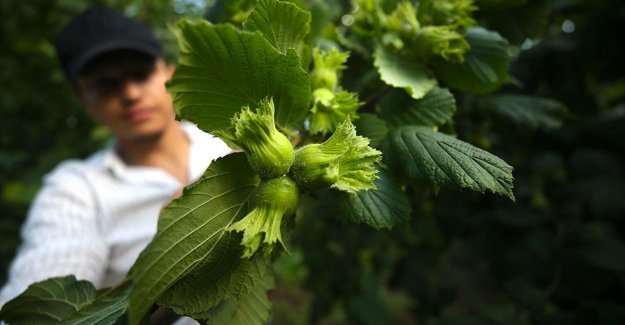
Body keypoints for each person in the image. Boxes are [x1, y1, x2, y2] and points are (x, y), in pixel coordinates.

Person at [0, 5, 232, 309]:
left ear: (170, 72)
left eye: (141, 73)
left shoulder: (227, 140)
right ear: (81, 99)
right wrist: (168, 248)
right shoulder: (76, 192)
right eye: (104, 84)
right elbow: (43, 306)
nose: (130, 93)